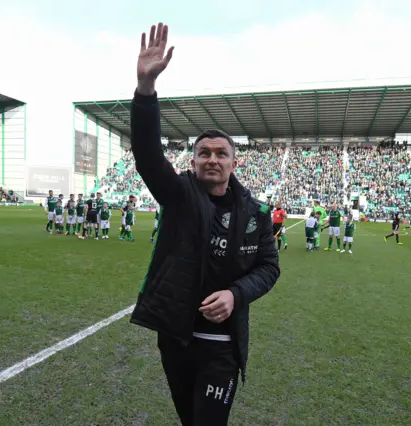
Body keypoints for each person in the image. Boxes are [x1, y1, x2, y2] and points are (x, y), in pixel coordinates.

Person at [128, 22, 280, 426]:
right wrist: (146, 90)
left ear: (234, 162)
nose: (212, 158)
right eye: (203, 153)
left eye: (220, 153)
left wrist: (235, 294)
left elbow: (269, 268)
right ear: (192, 163)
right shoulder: (179, 196)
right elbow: (145, 154)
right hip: (176, 338)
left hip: (222, 346)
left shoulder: (257, 213)